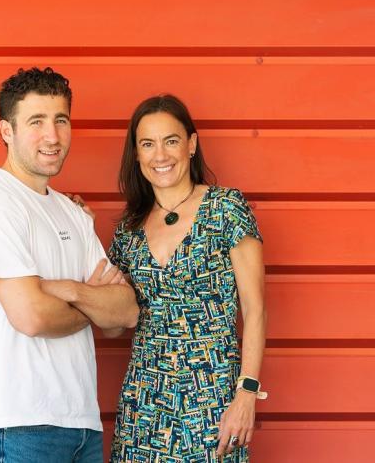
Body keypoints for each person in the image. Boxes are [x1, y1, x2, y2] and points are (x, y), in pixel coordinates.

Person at [0, 67, 140, 463]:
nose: (52, 136)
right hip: (18, 425)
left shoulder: (72, 213)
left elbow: (124, 314)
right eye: (36, 122)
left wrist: (66, 289)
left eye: (61, 120)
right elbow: (32, 316)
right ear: (7, 131)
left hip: (82, 425)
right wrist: (93, 302)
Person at [107, 94, 267, 462]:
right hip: (144, 402)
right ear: (136, 154)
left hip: (211, 397)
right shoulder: (128, 231)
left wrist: (246, 394)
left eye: (171, 141)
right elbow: (113, 324)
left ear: (191, 145)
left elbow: (255, 309)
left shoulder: (225, 208)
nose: (160, 155)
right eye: (148, 144)